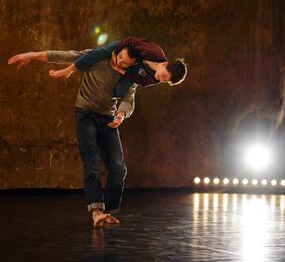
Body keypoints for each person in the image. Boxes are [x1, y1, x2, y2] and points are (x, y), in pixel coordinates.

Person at [8, 37, 188, 228]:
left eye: (125, 64)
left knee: (119, 168)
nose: (119, 63)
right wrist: (33, 55)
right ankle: (95, 212)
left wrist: (120, 115)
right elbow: (65, 56)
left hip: (108, 119)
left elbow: (128, 100)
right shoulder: (96, 58)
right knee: (92, 162)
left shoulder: (131, 76)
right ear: (117, 51)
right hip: (85, 116)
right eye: (119, 58)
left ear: (134, 64)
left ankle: (107, 212)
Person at [49, 37, 187, 98]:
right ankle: (69, 70)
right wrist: (116, 52)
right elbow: (131, 40)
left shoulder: (155, 79)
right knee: (99, 53)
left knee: (120, 92)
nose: (160, 79)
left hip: (131, 68)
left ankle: (101, 107)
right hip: (124, 49)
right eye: (163, 75)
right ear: (164, 64)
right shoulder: (154, 52)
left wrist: (122, 72)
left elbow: (142, 82)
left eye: (165, 81)